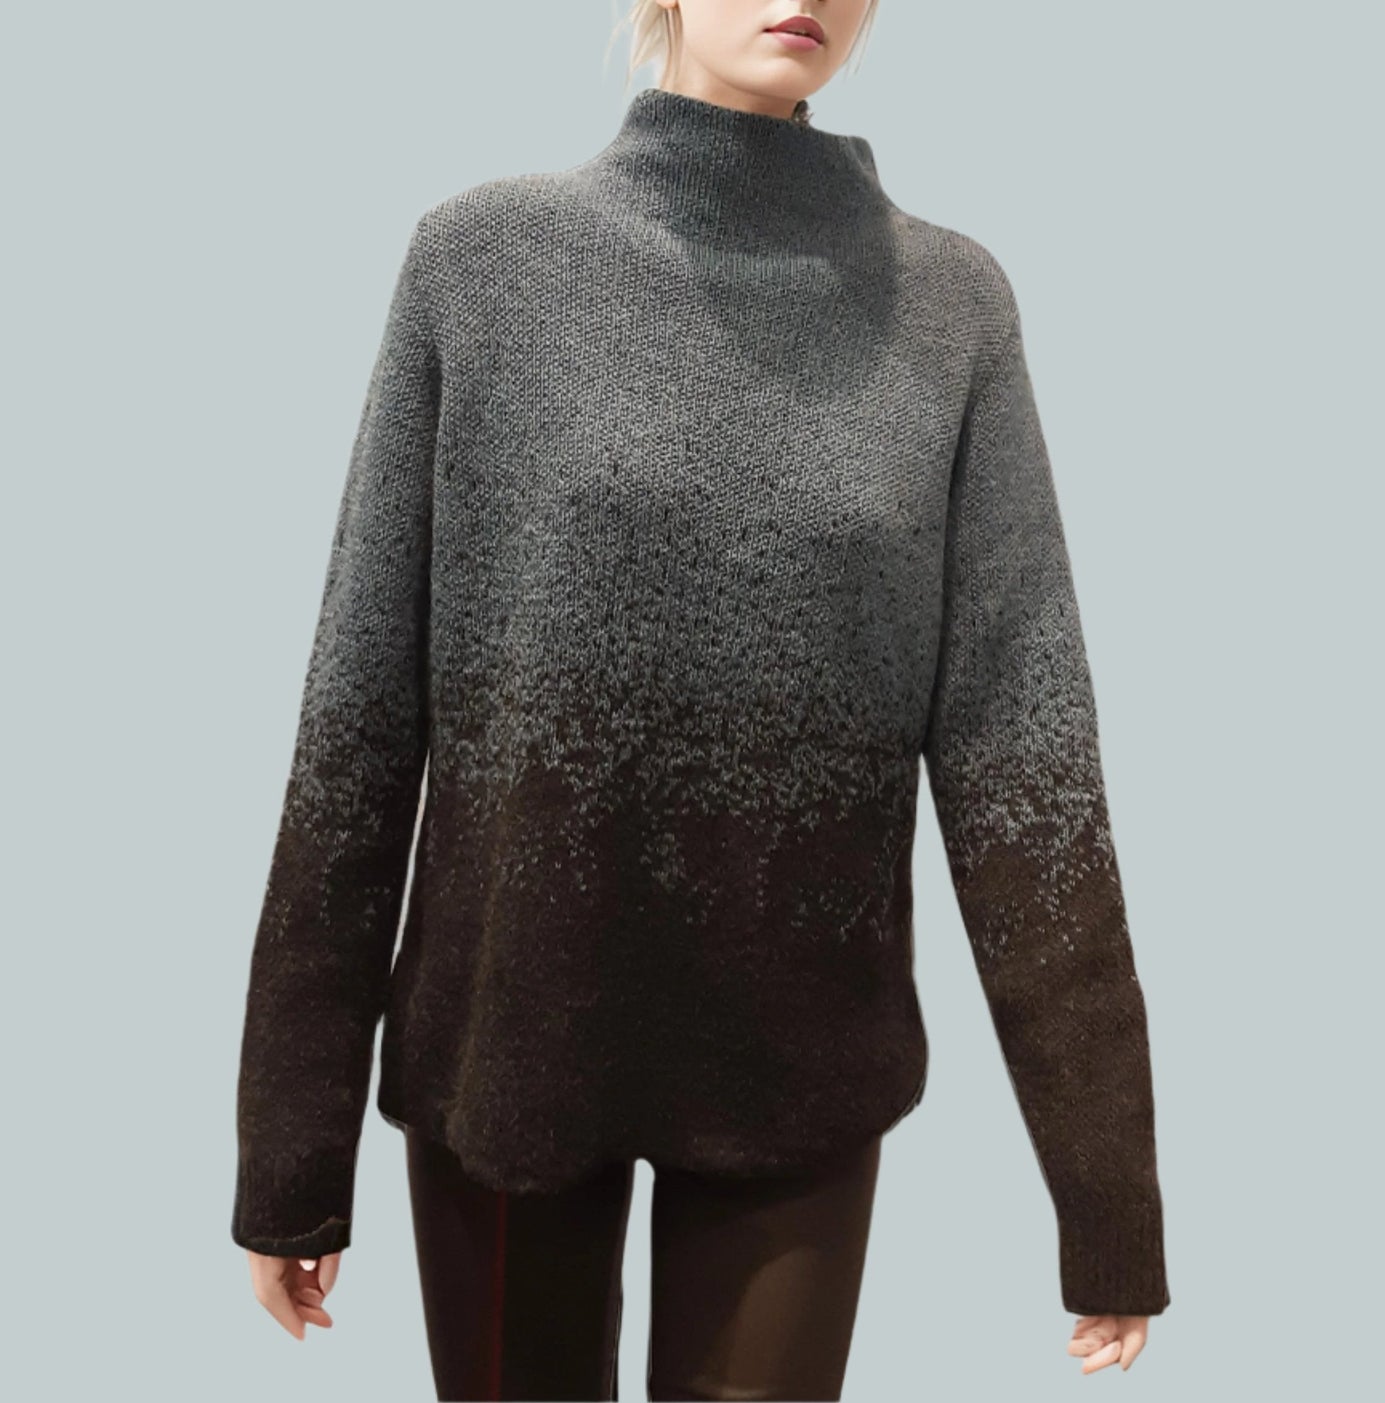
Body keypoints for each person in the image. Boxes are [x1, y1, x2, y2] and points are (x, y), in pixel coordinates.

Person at [232, 1, 1172, 1396]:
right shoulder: (483, 263)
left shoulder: (949, 304)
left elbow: (1020, 752)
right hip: (510, 1046)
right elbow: (361, 708)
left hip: (800, 1066)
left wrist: (1107, 1201)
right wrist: (292, 1152)